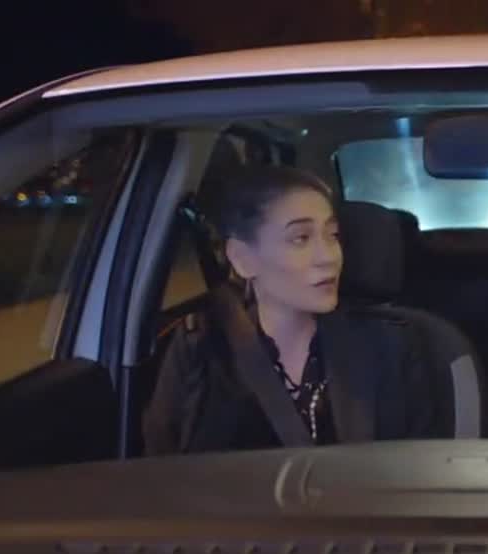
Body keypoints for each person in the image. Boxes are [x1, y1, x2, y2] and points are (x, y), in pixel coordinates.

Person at [143, 165, 440, 454]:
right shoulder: (200, 347)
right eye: (301, 238)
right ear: (243, 258)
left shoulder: (391, 346)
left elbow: (417, 467)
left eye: (333, 235)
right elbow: (162, 468)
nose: (328, 257)